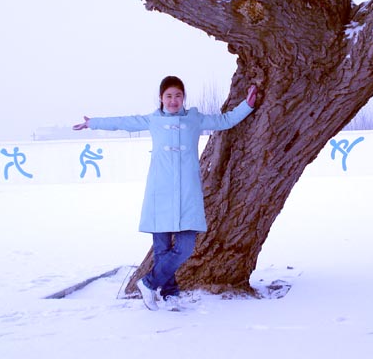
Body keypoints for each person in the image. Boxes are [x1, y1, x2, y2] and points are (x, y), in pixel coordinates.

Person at [73, 76, 258, 311]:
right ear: (161, 98)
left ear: (184, 98)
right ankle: (170, 294)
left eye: (178, 95)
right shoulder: (153, 120)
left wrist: (247, 105)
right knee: (162, 249)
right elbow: (123, 122)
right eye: (168, 96)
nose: (173, 100)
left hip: (187, 193)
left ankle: (149, 283)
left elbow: (224, 120)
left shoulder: (194, 119)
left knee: (185, 246)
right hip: (159, 193)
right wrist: (93, 123)